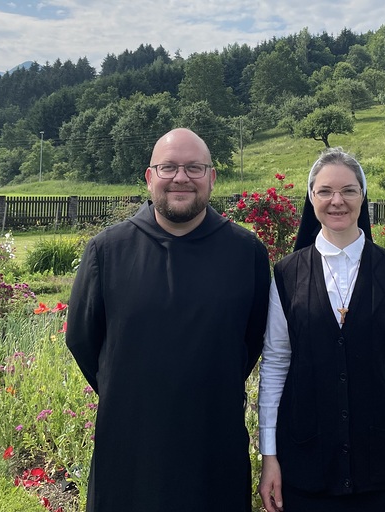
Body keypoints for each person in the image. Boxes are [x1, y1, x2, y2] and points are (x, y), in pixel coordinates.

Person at [66, 128, 270, 512]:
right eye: (169, 167)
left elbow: (252, 339)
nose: (181, 178)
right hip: (129, 444)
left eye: (195, 168)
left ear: (212, 177)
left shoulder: (247, 254)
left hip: (214, 442)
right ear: (149, 177)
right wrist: (132, 391)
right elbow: (82, 339)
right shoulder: (107, 251)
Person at [257, 147, 385, 512]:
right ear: (311, 197)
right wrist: (269, 456)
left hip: (383, 466)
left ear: (363, 196)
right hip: (306, 464)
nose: (336, 201)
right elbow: (275, 367)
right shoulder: (287, 274)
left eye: (349, 190)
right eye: (325, 191)